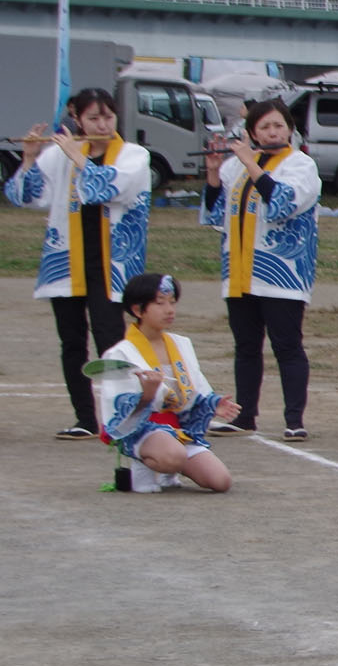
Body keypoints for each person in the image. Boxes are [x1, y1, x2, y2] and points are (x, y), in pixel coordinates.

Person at [7, 87, 153, 439]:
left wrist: (79, 158)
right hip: (67, 263)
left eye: (107, 116)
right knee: (71, 342)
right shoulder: (60, 155)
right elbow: (22, 197)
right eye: (93, 118)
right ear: (77, 120)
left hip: (113, 266)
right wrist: (28, 159)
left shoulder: (134, 155)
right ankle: (85, 418)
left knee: (112, 341)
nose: (102, 124)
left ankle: (120, 417)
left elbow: (107, 189)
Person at [200, 96, 321, 440]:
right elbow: (213, 215)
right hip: (239, 270)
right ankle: (244, 415)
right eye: (264, 127)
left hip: (282, 273)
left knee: (287, 346)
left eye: (278, 125)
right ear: (252, 132)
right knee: (246, 347)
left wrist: (253, 166)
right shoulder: (234, 166)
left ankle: (294, 418)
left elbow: (283, 203)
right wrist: (212, 173)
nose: (272, 132)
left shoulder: (300, 165)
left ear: (289, 129)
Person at [93, 272, 239, 492]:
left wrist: (212, 403)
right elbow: (116, 411)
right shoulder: (120, 353)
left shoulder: (181, 344)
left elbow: (196, 388)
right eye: (160, 303)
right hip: (141, 430)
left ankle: (169, 464)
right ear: (137, 310)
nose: (169, 310)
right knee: (174, 455)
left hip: (177, 427)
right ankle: (145, 462)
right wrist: (147, 395)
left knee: (220, 481)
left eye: (172, 303)